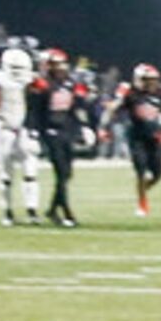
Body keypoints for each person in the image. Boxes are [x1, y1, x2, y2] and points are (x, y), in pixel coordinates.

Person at [26, 48, 95, 227]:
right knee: (62, 172)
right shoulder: (40, 85)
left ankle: (52, 209)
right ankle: (66, 213)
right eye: (56, 64)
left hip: (67, 130)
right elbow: (34, 111)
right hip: (50, 131)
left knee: (66, 174)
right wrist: (33, 132)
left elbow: (77, 108)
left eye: (62, 64)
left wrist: (83, 126)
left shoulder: (70, 84)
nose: (61, 68)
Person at [0, 45, 40, 227]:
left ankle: (31, 209)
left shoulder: (30, 81)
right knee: (6, 172)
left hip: (22, 127)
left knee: (30, 170)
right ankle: (7, 210)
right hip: (3, 126)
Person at [113, 62, 161, 216]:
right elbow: (114, 108)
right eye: (147, 80)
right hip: (136, 136)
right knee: (141, 169)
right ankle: (142, 203)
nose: (150, 83)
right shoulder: (129, 92)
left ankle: (142, 191)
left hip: (154, 136)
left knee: (158, 173)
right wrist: (104, 125)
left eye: (153, 80)